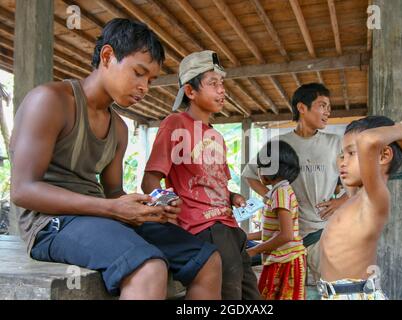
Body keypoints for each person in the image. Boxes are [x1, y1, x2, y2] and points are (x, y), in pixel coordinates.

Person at [9, 18, 222, 300]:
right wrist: (111, 208)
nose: (144, 87)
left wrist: (149, 208)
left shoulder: (119, 128)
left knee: (207, 261)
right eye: (138, 73)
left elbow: (113, 193)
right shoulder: (50, 101)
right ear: (108, 56)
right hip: (50, 224)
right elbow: (22, 191)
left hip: (97, 215)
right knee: (148, 268)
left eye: (150, 80)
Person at [141, 50, 260, 300]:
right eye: (213, 84)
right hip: (203, 229)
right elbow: (149, 181)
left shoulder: (216, 136)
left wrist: (233, 196)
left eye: (223, 84)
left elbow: (213, 185)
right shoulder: (175, 123)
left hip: (231, 229)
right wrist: (168, 211)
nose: (222, 90)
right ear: (190, 91)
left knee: (251, 297)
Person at [243, 83, 346, 285]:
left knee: (327, 290)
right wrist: (269, 196)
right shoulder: (280, 144)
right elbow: (251, 174)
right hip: (286, 239)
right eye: (322, 105)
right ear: (302, 107)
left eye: (329, 108)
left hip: (322, 234)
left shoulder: (336, 143)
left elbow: (362, 179)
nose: (328, 112)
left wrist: (340, 201)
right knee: (288, 291)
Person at [318, 115, 402, 300]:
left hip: (356, 295)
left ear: (384, 155)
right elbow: (363, 145)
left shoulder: (375, 198)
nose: (343, 162)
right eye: (343, 155)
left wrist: (401, 131)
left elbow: (367, 140)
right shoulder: (355, 196)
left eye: (352, 153)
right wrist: (348, 153)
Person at [246, 140, 307, 300]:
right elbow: (274, 232)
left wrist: (254, 250)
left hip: (286, 260)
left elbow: (286, 235)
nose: (258, 171)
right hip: (283, 258)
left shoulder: (280, 193)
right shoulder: (279, 191)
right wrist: (247, 237)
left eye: (260, 167)